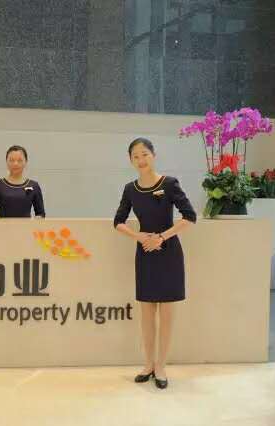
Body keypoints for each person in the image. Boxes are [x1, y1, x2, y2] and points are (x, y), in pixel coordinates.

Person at [113, 137, 196, 390]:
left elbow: (190, 216)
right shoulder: (130, 189)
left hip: (168, 252)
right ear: (130, 160)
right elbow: (118, 221)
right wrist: (139, 237)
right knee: (147, 313)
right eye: (135, 156)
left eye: (144, 154)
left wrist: (161, 237)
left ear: (153, 155)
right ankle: (148, 364)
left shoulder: (169, 184)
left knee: (167, 314)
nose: (141, 160)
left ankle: (161, 366)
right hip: (145, 253)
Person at [0, 145, 45, 218]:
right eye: (12, 160)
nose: (15, 163)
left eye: (19, 160)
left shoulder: (34, 185)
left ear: (25, 162)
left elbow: (40, 213)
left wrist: (38, 218)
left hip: (26, 225)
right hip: (4, 225)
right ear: (6, 162)